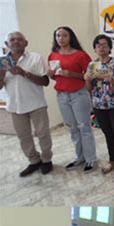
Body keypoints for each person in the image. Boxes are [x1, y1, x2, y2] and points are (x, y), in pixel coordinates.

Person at [0, 31, 53, 177]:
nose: (16, 42)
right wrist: (1, 76)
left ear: (26, 43)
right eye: (12, 40)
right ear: (7, 44)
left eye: (19, 39)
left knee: (43, 134)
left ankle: (47, 160)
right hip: (14, 106)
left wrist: (24, 73)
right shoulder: (1, 62)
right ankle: (34, 161)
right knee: (23, 137)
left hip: (36, 103)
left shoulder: (35, 58)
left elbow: (45, 82)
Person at [48, 26, 97, 173]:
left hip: (78, 94)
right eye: (58, 36)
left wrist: (71, 74)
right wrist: (50, 74)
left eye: (64, 36)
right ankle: (79, 157)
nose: (60, 39)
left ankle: (90, 159)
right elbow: (54, 77)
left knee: (84, 127)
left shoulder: (81, 55)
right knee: (72, 128)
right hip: (62, 95)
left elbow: (91, 75)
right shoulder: (52, 55)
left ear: (71, 37)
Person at [84, 34, 114, 175]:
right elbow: (89, 89)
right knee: (107, 133)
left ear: (110, 47)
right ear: (94, 48)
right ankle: (112, 159)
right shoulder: (92, 65)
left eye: (105, 45)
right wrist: (86, 80)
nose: (101, 47)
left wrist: (113, 80)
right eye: (98, 45)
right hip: (99, 104)